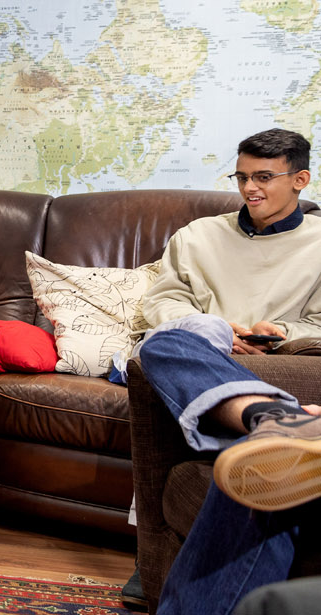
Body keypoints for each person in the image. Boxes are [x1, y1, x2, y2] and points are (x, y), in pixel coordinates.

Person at [136, 128, 321, 614]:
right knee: (169, 340)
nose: (248, 189)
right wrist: (216, 328)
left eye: (263, 177)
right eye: (241, 177)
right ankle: (278, 421)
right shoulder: (197, 235)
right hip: (198, 354)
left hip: (281, 365)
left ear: (300, 178)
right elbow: (164, 301)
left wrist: (277, 331)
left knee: (171, 347)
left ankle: (275, 417)